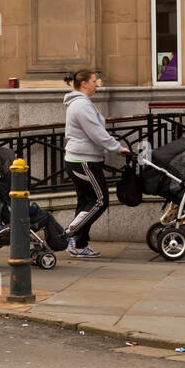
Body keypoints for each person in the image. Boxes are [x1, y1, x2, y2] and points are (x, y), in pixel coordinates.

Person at [63, 68, 130, 258]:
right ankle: (68, 235)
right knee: (99, 201)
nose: (97, 84)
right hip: (83, 160)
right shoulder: (81, 105)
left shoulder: (81, 103)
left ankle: (78, 245)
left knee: (86, 201)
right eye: (94, 81)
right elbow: (96, 132)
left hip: (82, 158)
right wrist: (117, 148)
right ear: (84, 84)